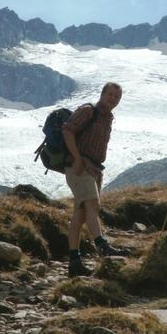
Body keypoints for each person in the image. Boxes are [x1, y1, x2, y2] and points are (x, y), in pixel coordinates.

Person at [62, 82, 130, 277]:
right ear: (102, 94)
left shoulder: (108, 118)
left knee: (81, 213)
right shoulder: (87, 111)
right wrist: (76, 158)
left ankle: (74, 262)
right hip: (80, 165)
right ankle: (102, 245)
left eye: (117, 97)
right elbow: (67, 130)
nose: (113, 99)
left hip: (94, 169)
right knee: (92, 205)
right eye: (110, 95)